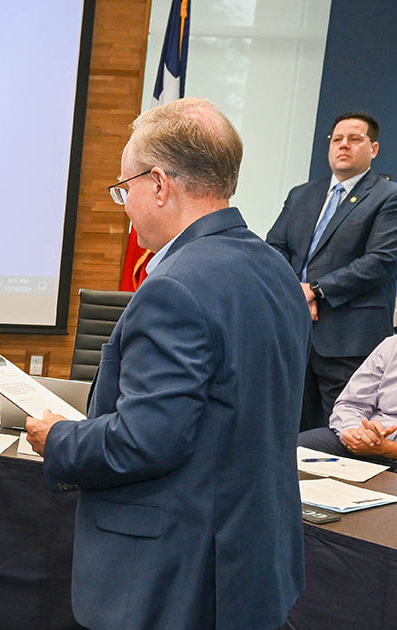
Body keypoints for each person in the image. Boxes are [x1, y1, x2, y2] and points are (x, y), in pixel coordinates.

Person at [26, 98, 310, 630]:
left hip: (175, 576)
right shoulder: (277, 271)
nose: (125, 205)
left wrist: (59, 438)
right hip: (251, 565)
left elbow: (144, 441)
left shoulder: (175, 287)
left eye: (124, 188)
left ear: (158, 184)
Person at [266, 112, 397, 431]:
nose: (343, 146)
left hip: (349, 338)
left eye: (355, 139)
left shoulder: (388, 196)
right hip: (296, 332)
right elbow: (274, 248)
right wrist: (295, 291)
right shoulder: (302, 194)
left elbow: (380, 260)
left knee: (339, 435)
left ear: (374, 149)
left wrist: (315, 290)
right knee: (290, 428)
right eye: (337, 139)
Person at [298, 334, 397, 468]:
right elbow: (350, 404)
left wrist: (389, 449)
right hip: (368, 442)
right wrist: (354, 433)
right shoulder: (391, 346)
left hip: (391, 450)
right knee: (298, 447)